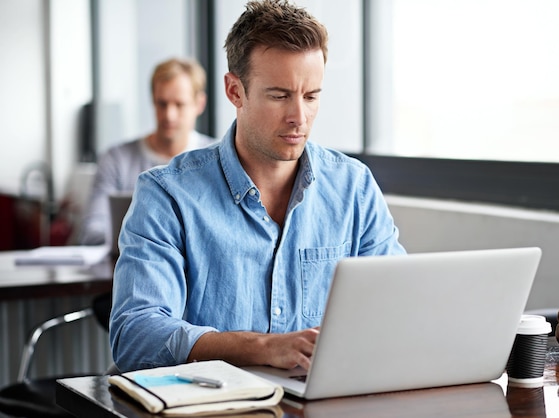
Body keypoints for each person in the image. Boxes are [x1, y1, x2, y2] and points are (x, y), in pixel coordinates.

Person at [110, 0, 406, 373]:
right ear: (235, 91)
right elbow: (136, 336)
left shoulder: (354, 186)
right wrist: (264, 347)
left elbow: (397, 306)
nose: (299, 117)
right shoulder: (166, 195)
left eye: (311, 96)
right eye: (279, 95)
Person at [78, 58, 218, 245]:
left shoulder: (217, 158)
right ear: (152, 101)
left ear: (199, 104)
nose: (169, 115)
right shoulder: (116, 159)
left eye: (179, 104)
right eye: (162, 104)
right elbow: (93, 230)